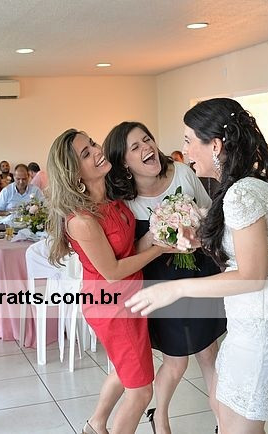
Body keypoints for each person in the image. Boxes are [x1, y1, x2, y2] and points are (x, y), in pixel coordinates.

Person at [126, 98, 268, 434]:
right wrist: (199, 239)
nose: (184, 151)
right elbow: (250, 249)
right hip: (260, 325)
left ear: (216, 145)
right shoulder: (254, 184)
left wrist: (175, 289)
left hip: (261, 332)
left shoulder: (241, 195)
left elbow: (251, 276)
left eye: (189, 140)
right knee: (229, 415)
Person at [46, 128, 177, 434]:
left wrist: (162, 230)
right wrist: (160, 249)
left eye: (92, 143)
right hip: (113, 308)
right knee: (141, 390)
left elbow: (130, 250)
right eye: (86, 153)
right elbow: (113, 272)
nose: (97, 150)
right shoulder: (82, 220)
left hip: (130, 297)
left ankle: (95, 425)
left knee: (124, 370)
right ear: (74, 173)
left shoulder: (111, 200)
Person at [103, 121, 226, 434]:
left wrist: (194, 229)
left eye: (147, 139)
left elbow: (209, 214)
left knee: (209, 352)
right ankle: (160, 416)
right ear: (124, 163)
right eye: (135, 147)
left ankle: (224, 424)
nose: (147, 147)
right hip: (160, 283)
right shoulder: (123, 200)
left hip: (199, 273)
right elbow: (129, 252)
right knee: (176, 360)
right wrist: (160, 233)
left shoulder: (182, 173)